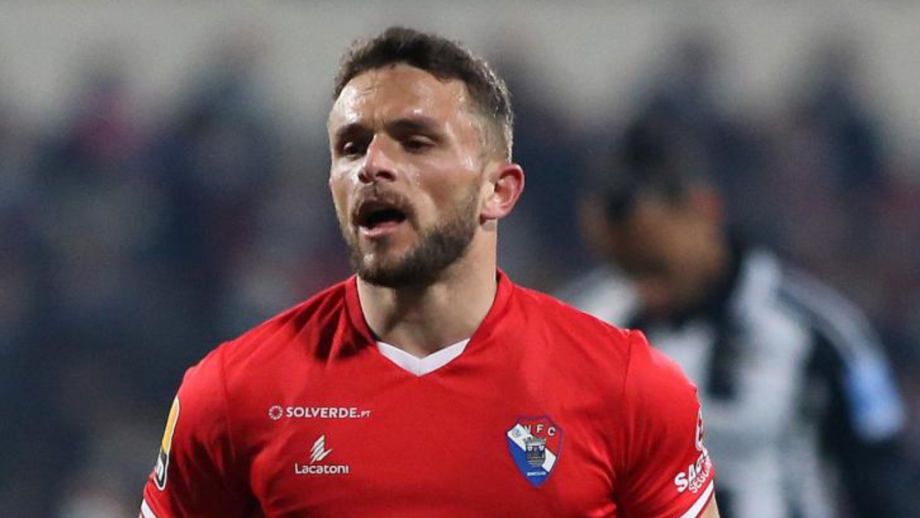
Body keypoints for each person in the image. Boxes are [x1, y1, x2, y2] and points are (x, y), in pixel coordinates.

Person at [138, 27, 720, 518]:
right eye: (351, 147)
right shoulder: (232, 394)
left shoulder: (627, 388)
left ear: (499, 190)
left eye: (415, 143)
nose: (373, 166)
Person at [562, 116, 913, 518]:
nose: (645, 290)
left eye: (656, 266)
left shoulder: (817, 330)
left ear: (703, 211)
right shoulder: (581, 325)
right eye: (623, 269)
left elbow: (881, 476)